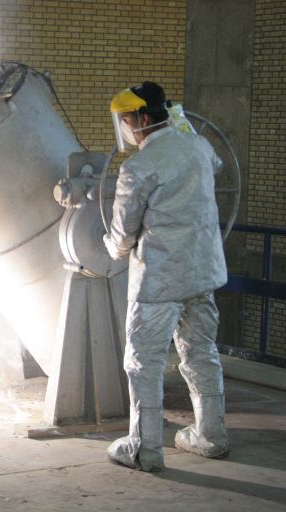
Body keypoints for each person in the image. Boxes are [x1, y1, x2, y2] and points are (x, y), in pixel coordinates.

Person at [103, 82, 229, 472]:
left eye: (126, 121)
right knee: (201, 354)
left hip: (159, 282)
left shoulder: (137, 167)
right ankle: (210, 436)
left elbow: (123, 234)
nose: (124, 128)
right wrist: (182, 125)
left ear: (141, 119)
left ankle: (145, 449)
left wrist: (112, 247)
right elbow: (216, 165)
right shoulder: (198, 147)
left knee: (143, 362)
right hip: (202, 273)